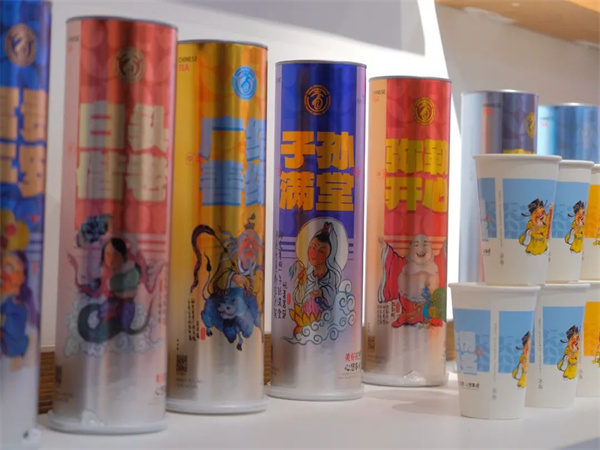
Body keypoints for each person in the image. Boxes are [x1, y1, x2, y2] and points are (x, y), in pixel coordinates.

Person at [290, 222, 342, 334]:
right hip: (306, 317)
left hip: (325, 320)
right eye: (312, 247)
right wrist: (301, 282)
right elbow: (298, 298)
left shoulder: (331, 275)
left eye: (321, 251)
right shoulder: (307, 274)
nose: (314, 253)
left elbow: (333, 294)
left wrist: (322, 292)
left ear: (329, 255)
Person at [0, 252, 32, 365]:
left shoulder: (13, 302)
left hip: (11, 348)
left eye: (8, 268)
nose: (3, 274)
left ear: (22, 277)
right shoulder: (11, 301)